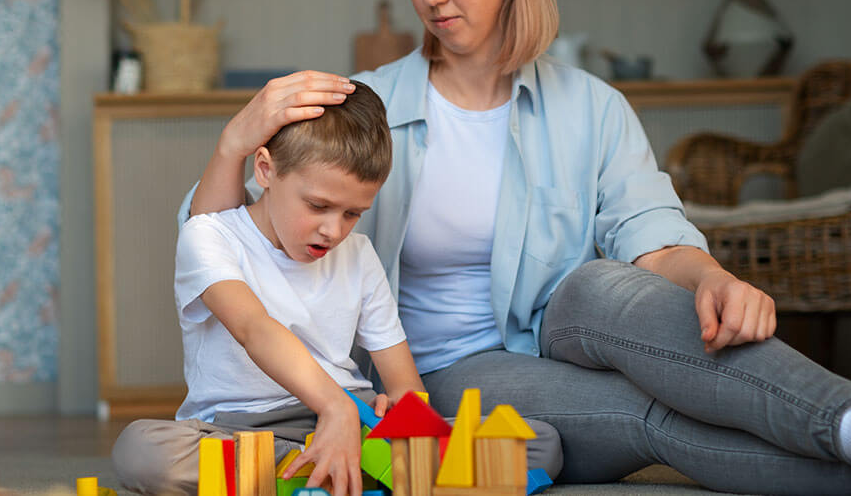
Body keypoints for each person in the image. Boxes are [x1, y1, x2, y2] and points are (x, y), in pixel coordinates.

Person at [181, 0, 851, 496]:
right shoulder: (365, 107)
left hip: (564, 321)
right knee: (644, 411)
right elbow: (223, 239)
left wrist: (713, 279)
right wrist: (236, 134)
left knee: (605, 285)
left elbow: (650, 234)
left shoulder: (589, 106)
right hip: (437, 374)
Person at [112, 82, 562, 496]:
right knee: (143, 451)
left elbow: (404, 380)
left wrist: (403, 417)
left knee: (541, 444)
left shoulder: (360, 255)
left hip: (354, 416)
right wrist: (334, 408)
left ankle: (332, 469)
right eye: (318, 206)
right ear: (265, 170)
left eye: (352, 214)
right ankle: (348, 471)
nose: (333, 230)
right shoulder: (208, 235)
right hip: (243, 428)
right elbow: (254, 329)